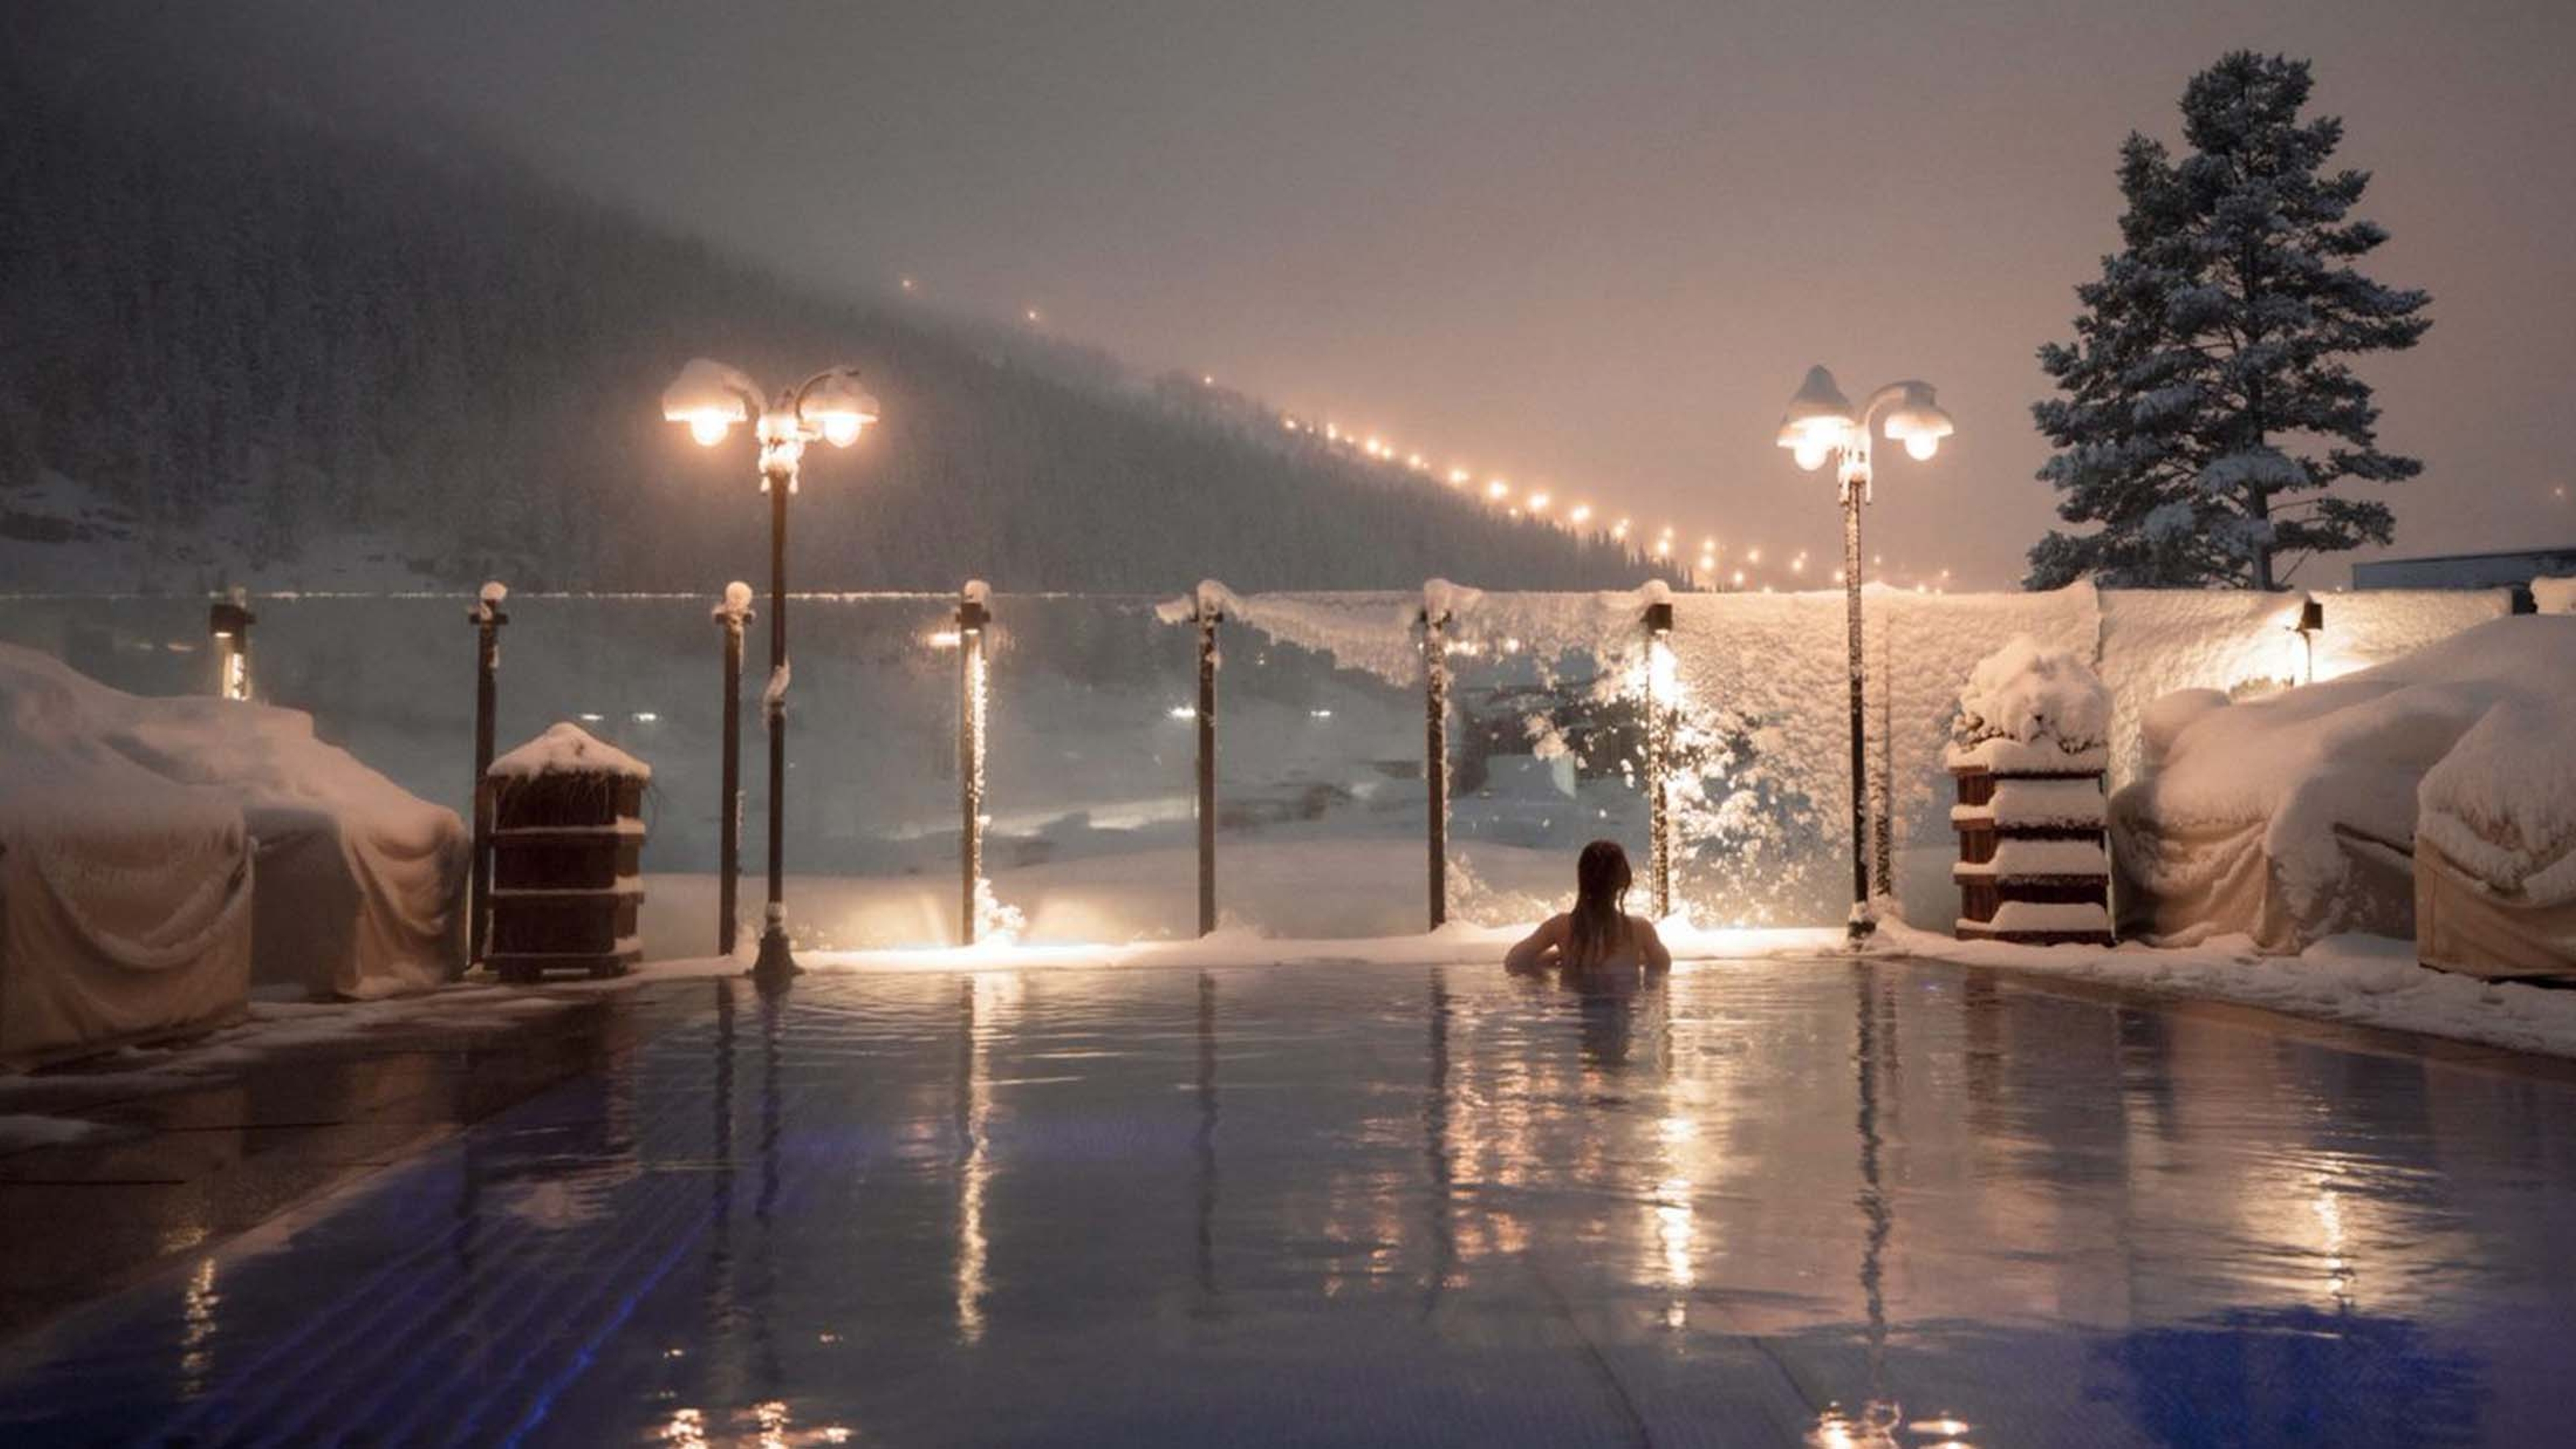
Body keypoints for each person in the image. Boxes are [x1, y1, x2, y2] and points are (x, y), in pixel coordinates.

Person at [1504, 839, 1672, 977]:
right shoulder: (1640, 929)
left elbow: (1514, 961)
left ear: (1582, 879)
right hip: (1622, 1014)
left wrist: (1554, 958)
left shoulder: (1560, 927)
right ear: (1623, 880)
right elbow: (1663, 965)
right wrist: (1637, 958)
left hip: (1576, 1012)